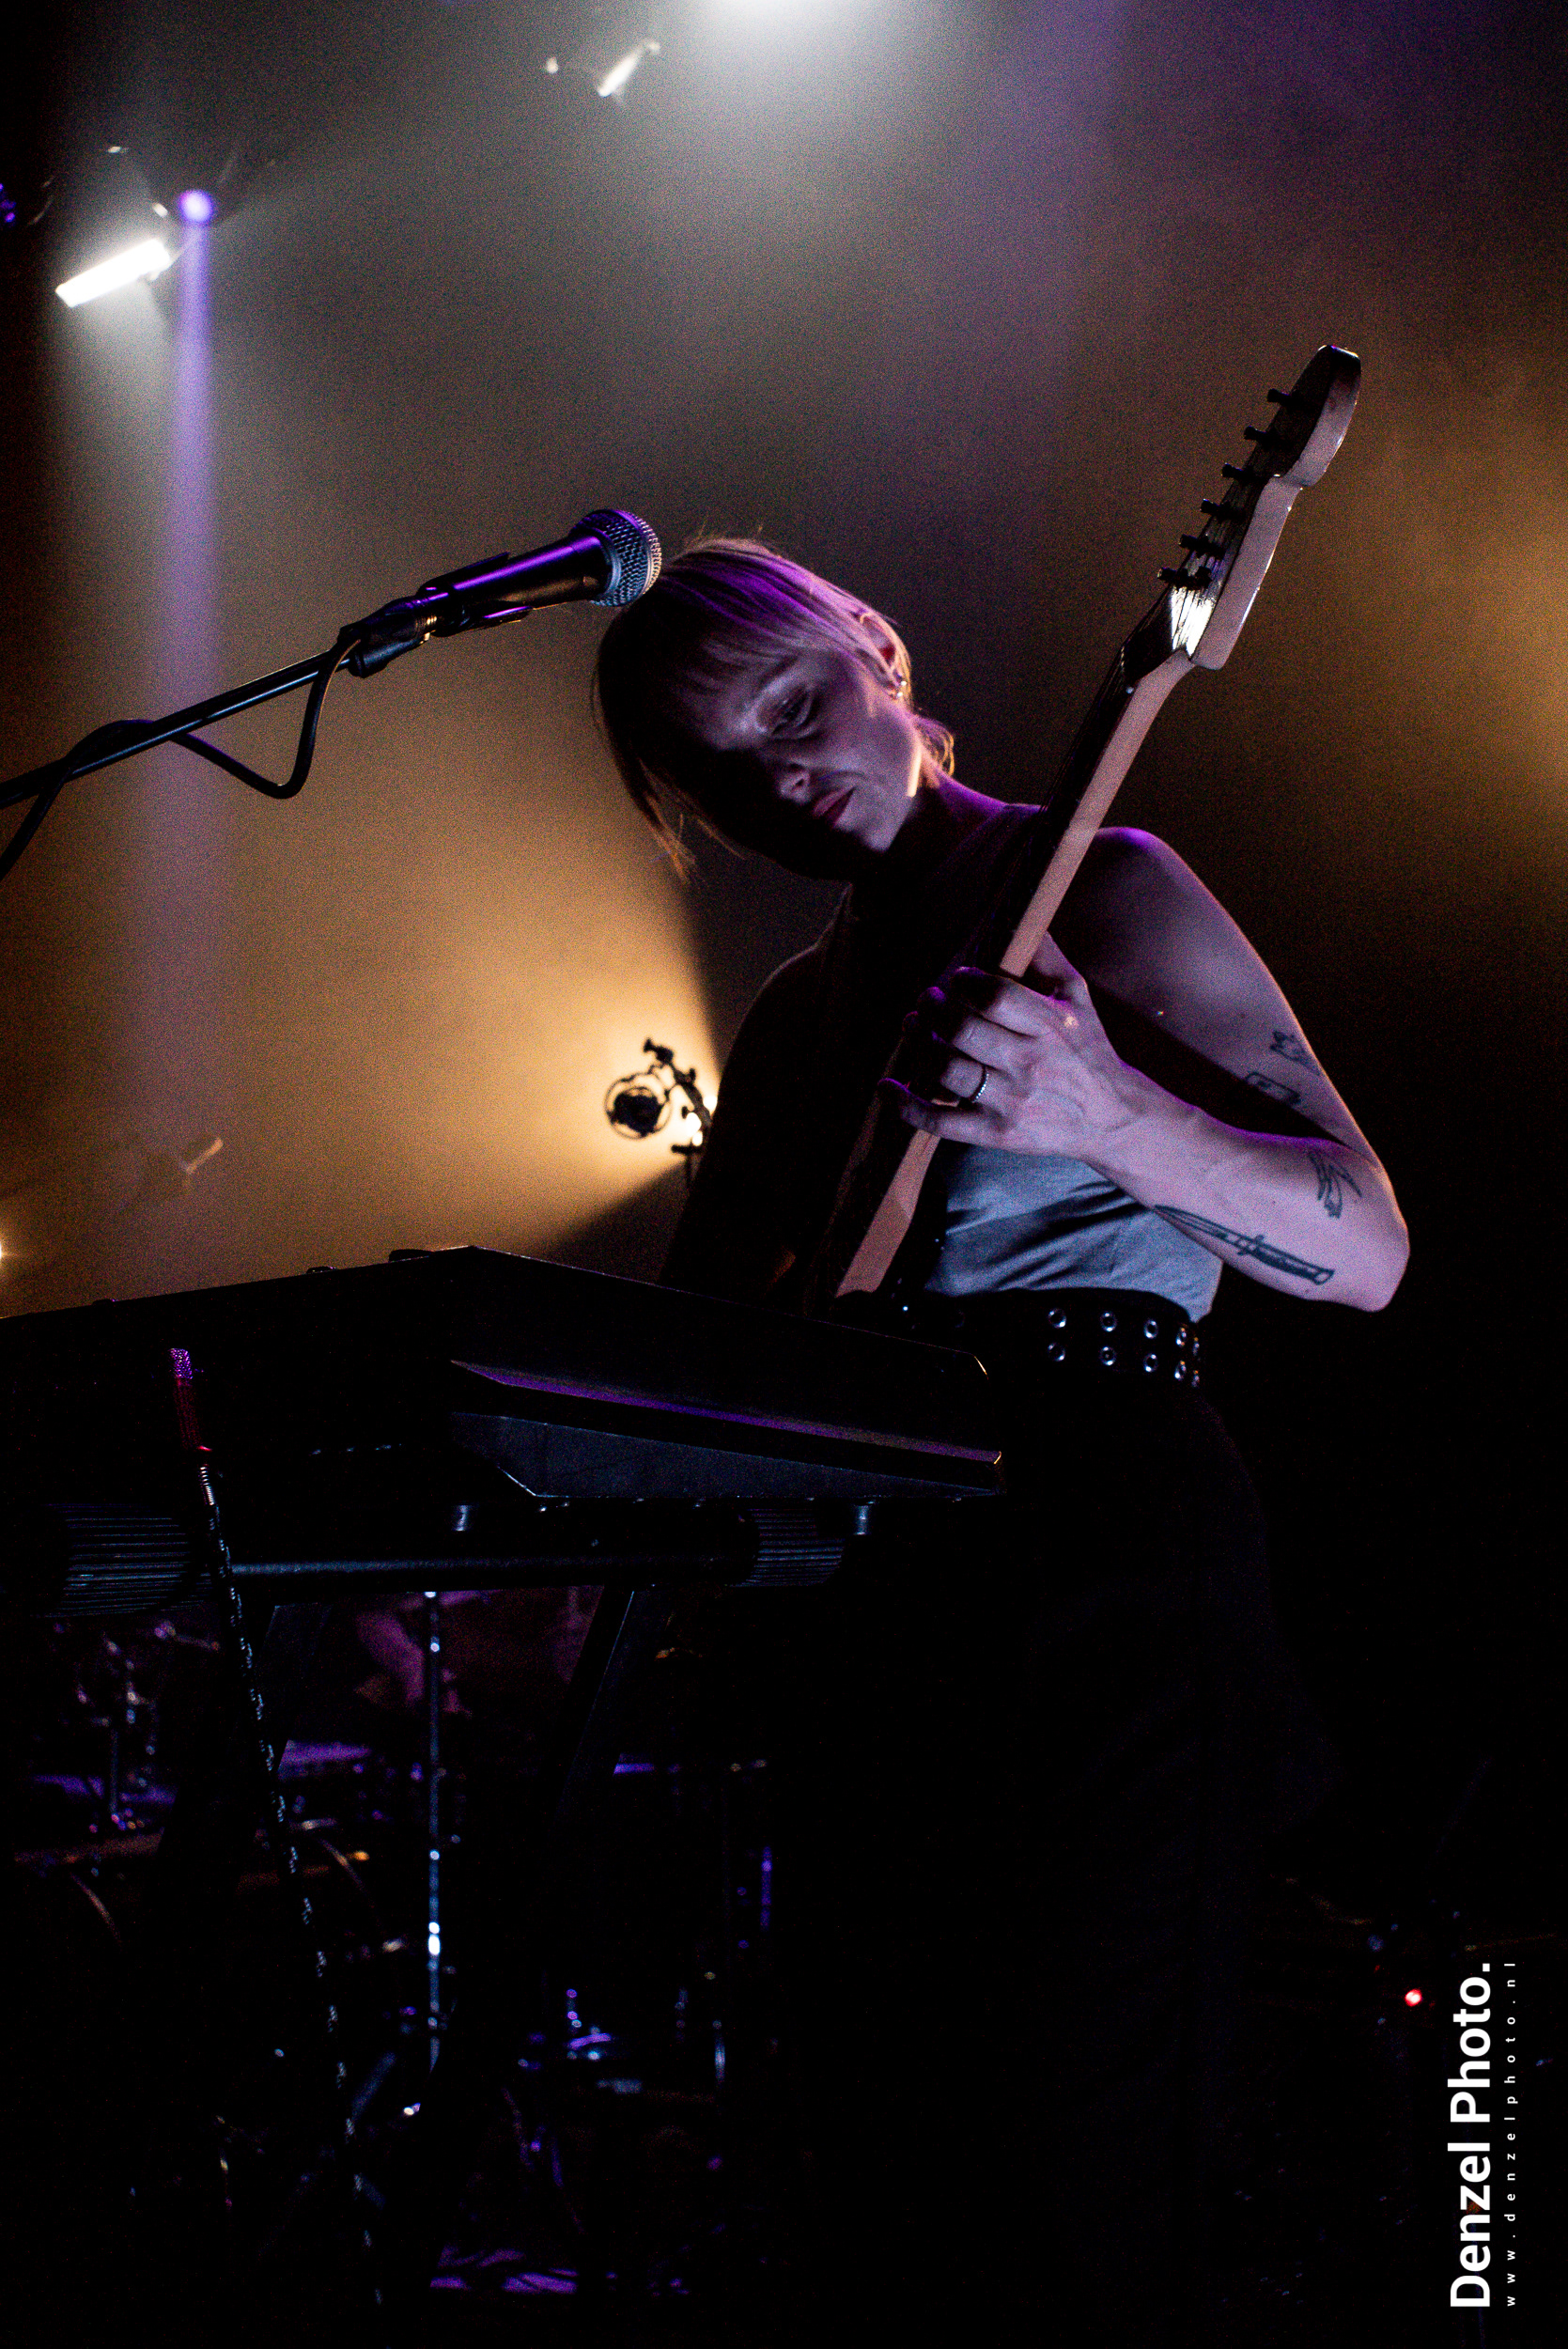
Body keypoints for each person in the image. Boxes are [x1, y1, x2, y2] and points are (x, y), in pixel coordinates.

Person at [593, 540, 1408, 2342]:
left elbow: (1365, 1247)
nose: (781, 774)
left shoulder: (1102, 882)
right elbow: (700, 1359)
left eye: (792, 704)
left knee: (1081, 2185)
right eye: (722, 770)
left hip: (1102, 1541)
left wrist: (1106, 1112)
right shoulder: (796, 1016)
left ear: (877, 651)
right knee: (896, 2185)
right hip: (873, 1593)